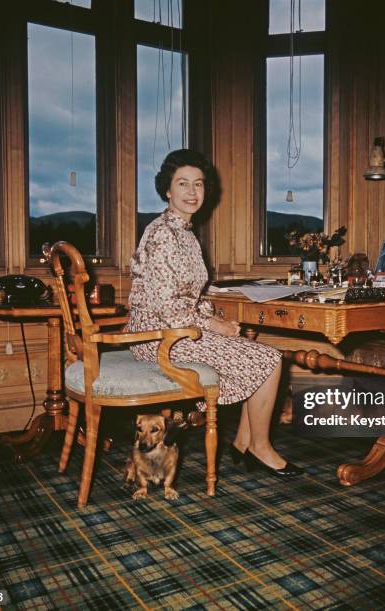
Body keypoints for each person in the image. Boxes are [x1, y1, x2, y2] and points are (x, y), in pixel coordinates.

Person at [126, 149, 302, 477]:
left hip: (176, 328)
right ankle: (260, 448)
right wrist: (213, 325)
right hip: (158, 336)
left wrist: (213, 319)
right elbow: (168, 307)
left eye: (199, 184)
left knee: (262, 354)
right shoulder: (163, 234)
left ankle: (243, 443)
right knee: (270, 359)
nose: (193, 192)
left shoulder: (186, 234)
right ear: (167, 189)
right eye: (183, 184)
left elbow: (191, 296)